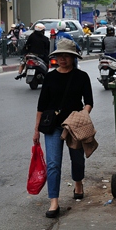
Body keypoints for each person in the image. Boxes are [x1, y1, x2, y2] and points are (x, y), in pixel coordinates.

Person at [33, 38, 93, 218]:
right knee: (53, 164)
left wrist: (83, 115)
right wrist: (36, 129)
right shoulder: (50, 76)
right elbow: (41, 105)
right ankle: (54, 202)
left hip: (74, 125)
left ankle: (78, 184)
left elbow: (89, 102)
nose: (62, 59)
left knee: (78, 160)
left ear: (73, 58)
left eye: (66, 56)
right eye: (60, 56)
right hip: (53, 126)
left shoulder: (81, 76)